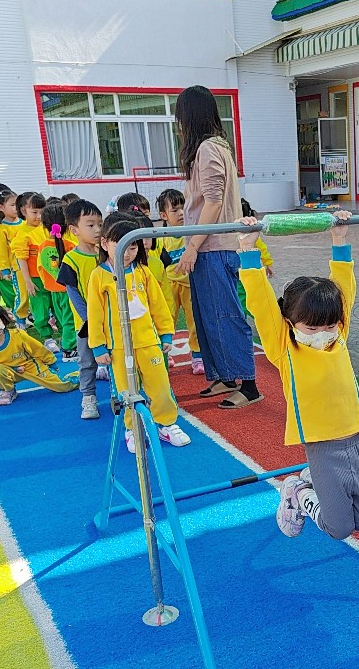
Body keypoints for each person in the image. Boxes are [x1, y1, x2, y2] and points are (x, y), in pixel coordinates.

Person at [237, 211, 359, 541]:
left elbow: (345, 289)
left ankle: (311, 483)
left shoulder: (338, 337)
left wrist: (339, 239)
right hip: (322, 444)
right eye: (311, 328)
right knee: (339, 528)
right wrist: (248, 250)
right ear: (290, 323)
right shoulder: (284, 347)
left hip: (356, 436)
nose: (322, 333)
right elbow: (260, 301)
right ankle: (298, 492)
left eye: (328, 325)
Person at [174, 85, 261, 409]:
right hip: (210, 246)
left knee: (225, 316)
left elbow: (212, 201)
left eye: (180, 117)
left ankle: (249, 385)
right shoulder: (210, 148)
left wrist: (193, 246)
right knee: (208, 316)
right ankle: (226, 375)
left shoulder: (209, 148)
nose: (178, 124)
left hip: (215, 247)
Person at [86, 216, 191, 453]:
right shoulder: (99, 276)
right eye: (121, 245)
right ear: (105, 244)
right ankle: (132, 428)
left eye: (133, 246)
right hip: (119, 346)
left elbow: (158, 305)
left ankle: (166, 424)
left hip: (148, 342)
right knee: (127, 390)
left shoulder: (143, 272)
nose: (127, 252)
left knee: (160, 385)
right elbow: (95, 313)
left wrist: (165, 334)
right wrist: (98, 346)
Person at [0, 299, 78, 406]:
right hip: (7, 372)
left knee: (63, 387)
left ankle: (82, 375)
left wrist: (51, 362)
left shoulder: (17, 335)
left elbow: (38, 349)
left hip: (30, 366)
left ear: (3, 319)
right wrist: (13, 369)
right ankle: (8, 390)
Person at [58, 199, 104, 419]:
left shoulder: (106, 253)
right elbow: (73, 292)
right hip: (86, 324)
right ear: (74, 230)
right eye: (90, 225)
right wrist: (89, 319)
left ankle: (120, 394)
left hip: (110, 319)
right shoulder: (71, 259)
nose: (97, 230)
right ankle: (88, 397)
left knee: (115, 358)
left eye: (100, 224)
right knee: (87, 362)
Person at [156, 187, 205, 375]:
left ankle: (197, 355)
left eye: (183, 208)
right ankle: (164, 353)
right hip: (169, 286)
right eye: (174, 210)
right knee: (167, 320)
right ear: (164, 215)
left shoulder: (191, 233)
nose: (181, 213)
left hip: (190, 284)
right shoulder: (161, 238)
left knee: (194, 321)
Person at [11, 192, 54, 347]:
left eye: (42, 212)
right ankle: (47, 338)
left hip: (52, 276)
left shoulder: (46, 229)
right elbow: (21, 259)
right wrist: (27, 281)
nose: (39, 216)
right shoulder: (22, 234)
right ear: (24, 211)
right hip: (36, 278)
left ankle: (66, 337)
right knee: (40, 309)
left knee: (58, 307)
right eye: (34, 212)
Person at [37, 201, 77, 360]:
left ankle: (66, 343)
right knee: (70, 320)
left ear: (44, 225)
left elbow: (41, 268)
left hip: (54, 290)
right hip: (69, 291)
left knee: (62, 319)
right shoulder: (71, 246)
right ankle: (69, 348)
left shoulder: (42, 246)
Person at [0, 189, 23, 317]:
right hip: (17, 268)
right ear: (1, 207)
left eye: (18, 204)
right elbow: (1, 251)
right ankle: (20, 318)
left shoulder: (25, 223)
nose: (17, 208)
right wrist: (5, 270)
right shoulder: (2, 228)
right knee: (21, 294)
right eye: (12, 205)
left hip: (31, 266)